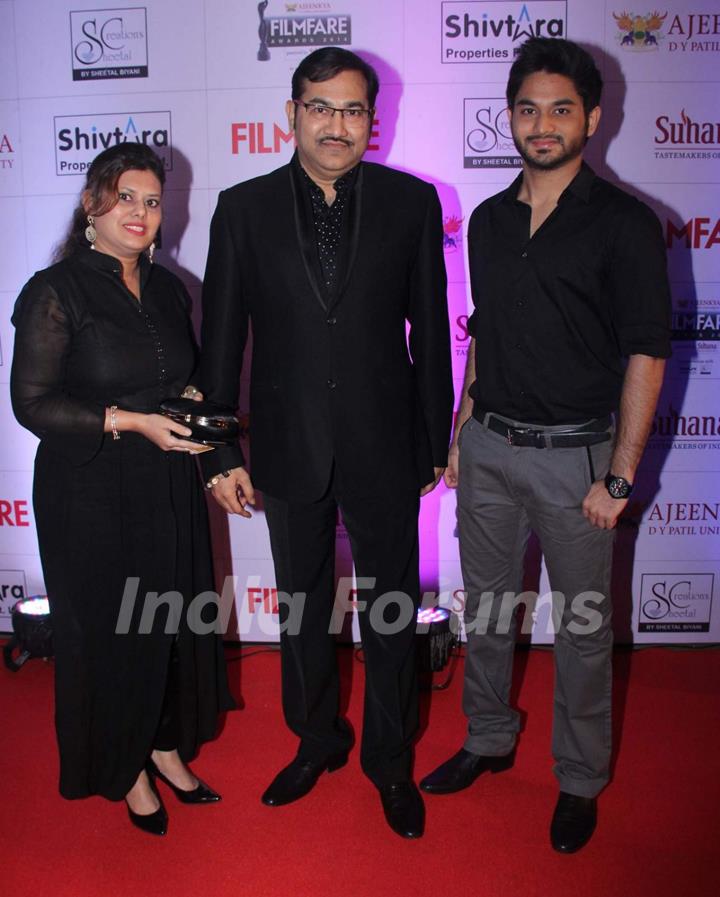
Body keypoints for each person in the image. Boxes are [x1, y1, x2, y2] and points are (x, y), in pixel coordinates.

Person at [419, 37, 671, 853]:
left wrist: (622, 476)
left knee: (586, 630)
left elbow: (646, 353)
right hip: (488, 446)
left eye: (561, 108)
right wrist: (461, 429)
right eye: (528, 108)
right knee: (486, 615)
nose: (543, 123)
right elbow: (484, 333)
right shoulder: (488, 220)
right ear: (510, 117)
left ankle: (580, 777)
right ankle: (489, 738)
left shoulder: (629, 224)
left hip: (577, 461)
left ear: (594, 118)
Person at [198, 47, 453, 839]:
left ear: (373, 122)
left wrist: (435, 439)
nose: (335, 124)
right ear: (292, 115)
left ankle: (389, 758)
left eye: (351, 110)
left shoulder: (414, 203)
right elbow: (222, 342)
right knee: (302, 606)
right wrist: (217, 449)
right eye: (320, 107)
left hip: (385, 440)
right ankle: (315, 740)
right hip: (285, 439)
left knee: (390, 610)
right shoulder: (242, 209)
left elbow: (432, 335)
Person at [11, 143, 234, 837]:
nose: (139, 212)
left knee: (167, 622)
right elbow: (32, 403)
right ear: (91, 205)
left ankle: (164, 742)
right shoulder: (56, 291)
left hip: (167, 481)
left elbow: (186, 382)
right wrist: (133, 420)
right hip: (90, 491)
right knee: (111, 631)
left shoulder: (170, 287)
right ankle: (125, 765)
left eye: (150, 199)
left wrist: (199, 417)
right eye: (124, 196)